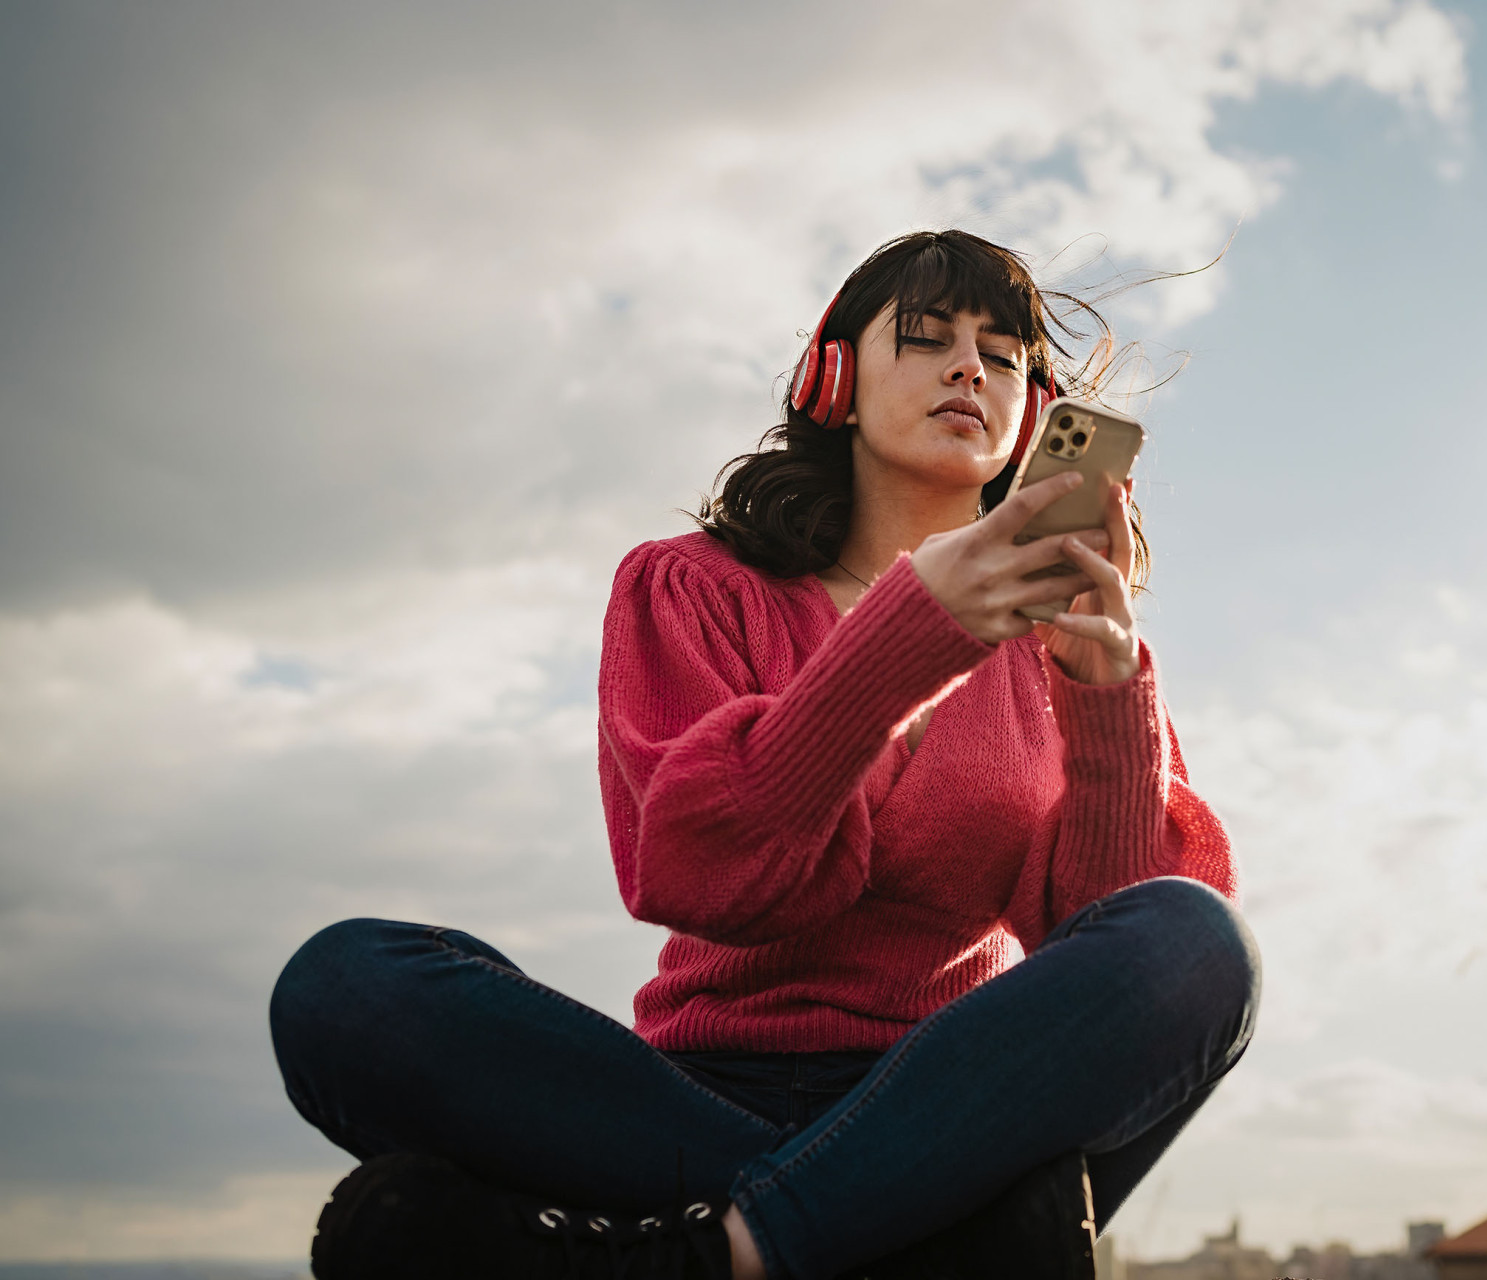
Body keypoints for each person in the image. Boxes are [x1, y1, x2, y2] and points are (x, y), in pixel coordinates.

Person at [269, 230, 1260, 1280]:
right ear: (831, 377)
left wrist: (1106, 709)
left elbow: (1101, 948)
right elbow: (704, 871)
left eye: (1004, 354)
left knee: (1202, 939)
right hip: (686, 1100)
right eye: (925, 339)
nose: (970, 365)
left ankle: (712, 1248)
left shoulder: (1056, 645)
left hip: (953, 1094)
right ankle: (899, 1236)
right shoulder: (689, 587)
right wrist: (910, 633)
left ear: (1035, 411)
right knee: (345, 982)